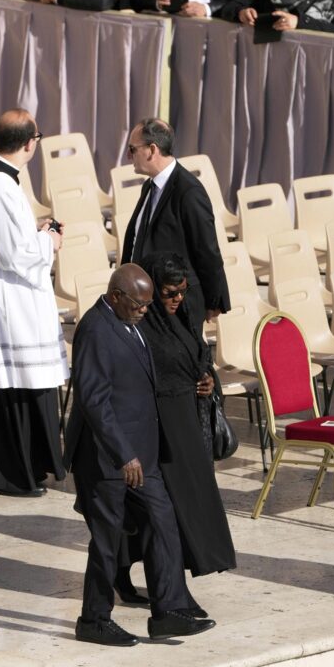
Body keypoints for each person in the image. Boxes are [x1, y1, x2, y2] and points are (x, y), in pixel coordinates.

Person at [64, 264, 216, 646]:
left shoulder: (130, 321)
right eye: (139, 304)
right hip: (107, 458)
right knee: (106, 539)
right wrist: (123, 454)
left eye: (149, 304)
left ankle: (167, 611)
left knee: (163, 520)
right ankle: (93, 620)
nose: (146, 311)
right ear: (116, 295)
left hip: (141, 455)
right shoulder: (96, 330)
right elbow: (94, 400)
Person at [0, 109, 68, 497]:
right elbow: (13, 255)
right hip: (10, 310)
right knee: (15, 391)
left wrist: (33, 233)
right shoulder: (0, 187)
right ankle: (12, 476)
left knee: (12, 391)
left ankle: (29, 469)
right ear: (30, 143)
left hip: (0, 303)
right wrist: (49, 242)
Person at [133, 253, 237, 576]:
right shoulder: (145, 328)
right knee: (167, 509)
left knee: (191, 503)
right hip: (165, 431)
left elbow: (198, 356)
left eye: (182, 290)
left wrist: (207, 378)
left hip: (191, 424)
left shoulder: (183, 315)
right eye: (169, 293)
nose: (178, 298)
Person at [120, 118, 230, 335]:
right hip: (151, 302)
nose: (128, 156)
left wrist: (214, 300)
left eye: (133, 149)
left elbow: (207, 249)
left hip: (178, 306)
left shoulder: (188, 191)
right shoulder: (150, 187)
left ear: (152, 150)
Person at [222, 0, 334, 33]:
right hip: (268, 62)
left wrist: (300, 22)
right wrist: (242, 13)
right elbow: (230, 7)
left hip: (313, 66)